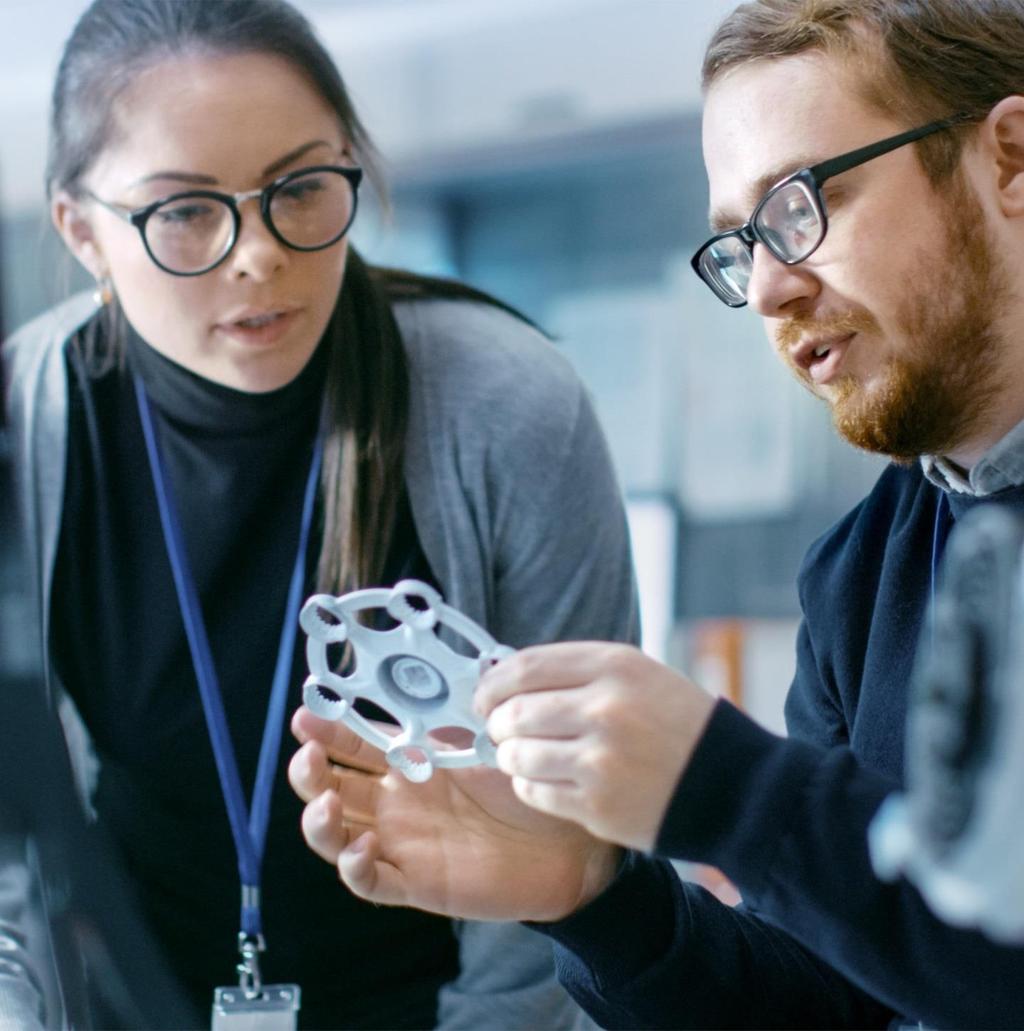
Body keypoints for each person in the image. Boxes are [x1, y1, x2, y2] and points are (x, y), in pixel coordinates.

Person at [289, 0, 1024, 1026]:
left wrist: (726, 787)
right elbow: (830, 1004)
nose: (767, 287)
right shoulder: (860, 572)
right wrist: (597, 895)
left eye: (802, 203)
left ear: (1010, 160)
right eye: (741, 242)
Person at [0, 0, 641, 1027]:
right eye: (185, 212)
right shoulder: (26, 424)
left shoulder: (506, 405)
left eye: (300, 187)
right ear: (82, 231)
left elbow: (570, 828)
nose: (258, 252)